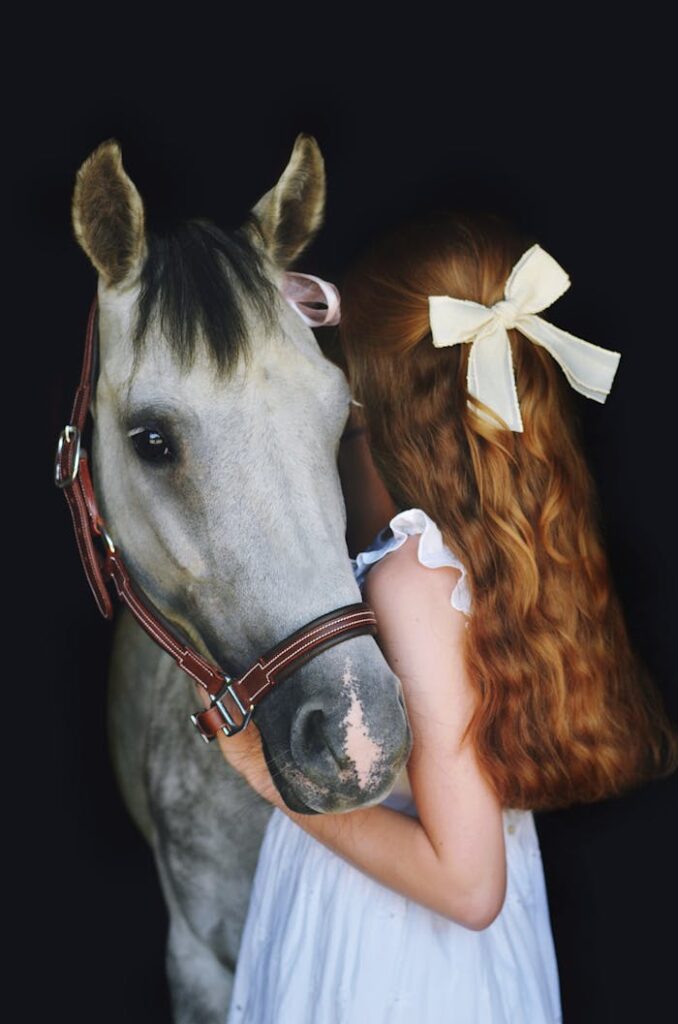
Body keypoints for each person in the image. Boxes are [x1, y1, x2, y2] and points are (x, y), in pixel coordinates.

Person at [212, 208, 678, 1023]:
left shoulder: (413, 581)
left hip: (391, 959)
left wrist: (267, 777)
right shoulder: (507, 523)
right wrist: (350, 311)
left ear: (375, 384)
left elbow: (468, 889)